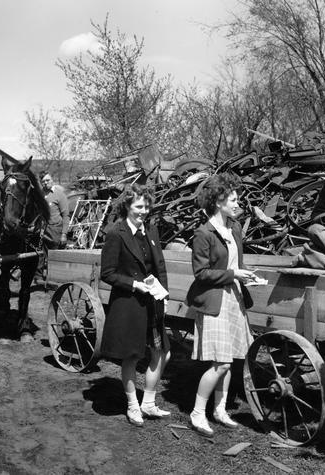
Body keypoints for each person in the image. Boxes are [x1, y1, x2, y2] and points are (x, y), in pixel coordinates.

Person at [185, 173, 259, 437]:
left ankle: (220, 410)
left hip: (234, 299)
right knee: (221, 363)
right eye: (233, 199)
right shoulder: (203, 233)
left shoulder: (234, 227)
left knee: (231, 360)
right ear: (218, 201)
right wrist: (233, 275)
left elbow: (236, 263)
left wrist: (248, 275)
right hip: (214, 300)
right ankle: (197, 413)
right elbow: (201, 273)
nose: (238, 203)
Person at [100, 184, 171, 427]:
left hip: (152, 303)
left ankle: (148, 403)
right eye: (139, 206)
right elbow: (107, 273)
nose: (144, 211)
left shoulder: (151, 230)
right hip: (129, 304)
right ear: (127, 207)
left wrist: (164, 295)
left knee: (163, 353)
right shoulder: (115, 233)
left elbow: (159, 265)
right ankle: (133, 405)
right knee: (131, 357)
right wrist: (134, 284)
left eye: (147, 206)